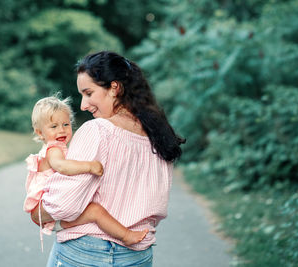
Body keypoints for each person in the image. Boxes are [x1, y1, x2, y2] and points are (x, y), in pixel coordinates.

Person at [31, 51, 185, 266]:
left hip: (86, 253)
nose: (83, 105)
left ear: (114, 88)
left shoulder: (97, 130)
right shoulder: (159, 135)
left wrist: (38, 212)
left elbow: (63, 206)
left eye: (89, 93)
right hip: (138, 255)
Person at [23, 95, 149, 251]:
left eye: (65, 124)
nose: (62, 130)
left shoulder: (58, 148)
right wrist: (89, 166)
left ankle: (123, 235)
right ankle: (126, 235)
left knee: (93, 213)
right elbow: (62, 166)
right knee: (95, 211)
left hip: (52, 218)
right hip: (47, 209)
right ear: (40, 133)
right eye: (54, 126)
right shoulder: (53, 149)